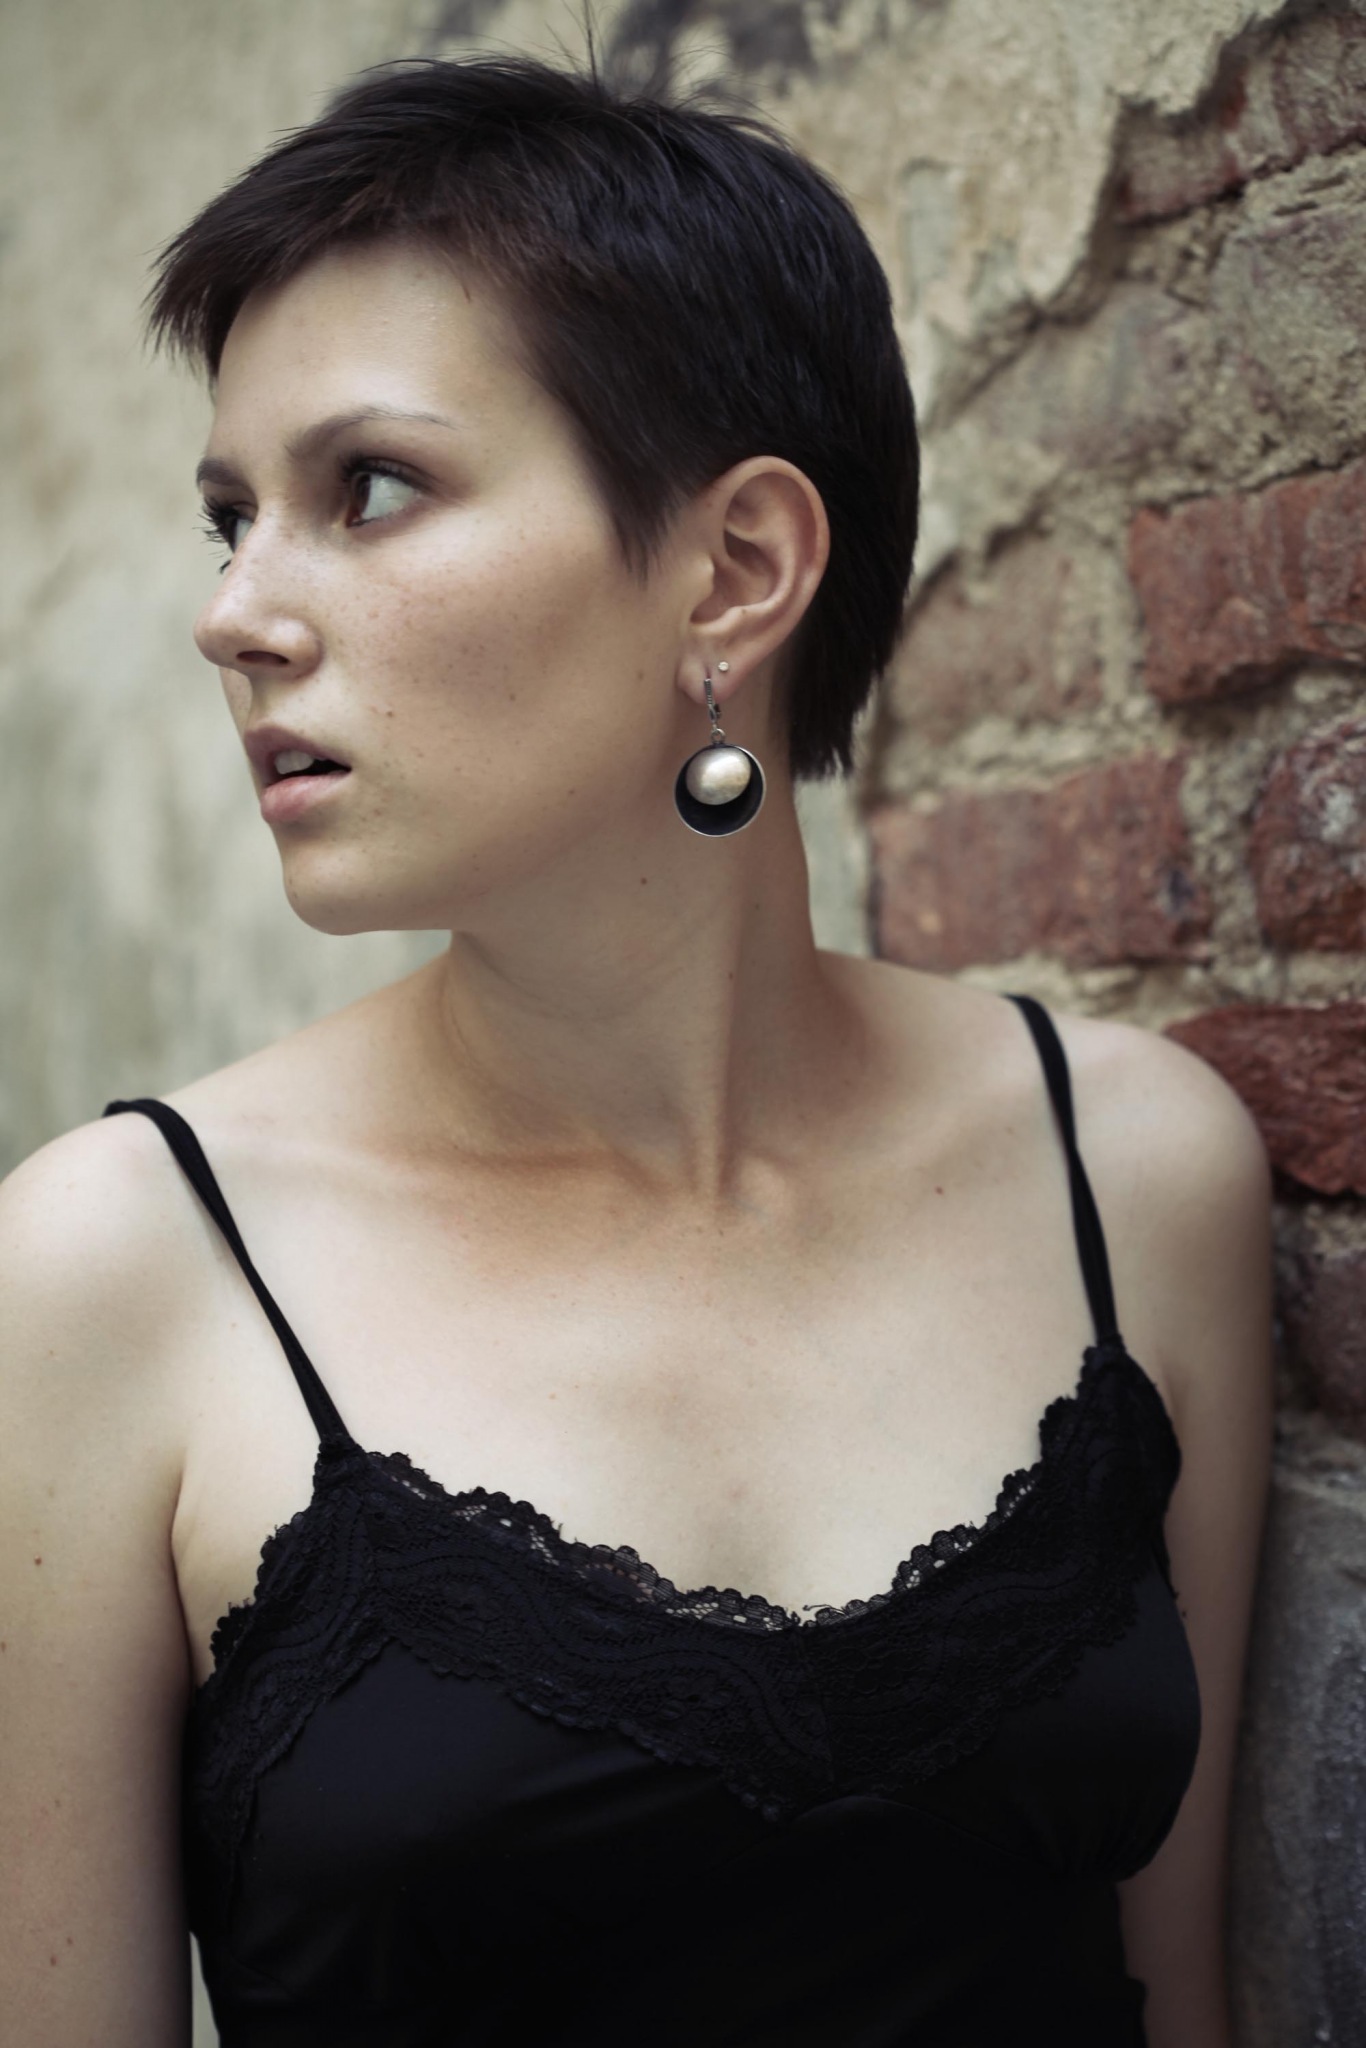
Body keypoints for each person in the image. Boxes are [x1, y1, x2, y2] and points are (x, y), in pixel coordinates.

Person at [1, 49, 1273, 2048]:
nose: (233, 616)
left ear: (736, 571)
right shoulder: (120, 1266)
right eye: (230, 519)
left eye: (371, 488)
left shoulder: (1130, 1171)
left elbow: (1177, 1999)